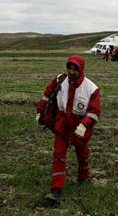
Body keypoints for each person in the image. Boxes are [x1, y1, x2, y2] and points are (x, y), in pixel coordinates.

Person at [36, 55, 101, 205]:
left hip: (79, 129)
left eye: (74, 69)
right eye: (69, 68)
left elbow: (94, 111)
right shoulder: (59, 80)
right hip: (62, 126)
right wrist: (40, 111)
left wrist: (84, 125)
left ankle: (83, 177)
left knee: (82, 153)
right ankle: (55, 190)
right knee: (58, 155)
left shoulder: (92, 89)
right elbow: (47, 95)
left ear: (81, 69)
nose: (71, 72)